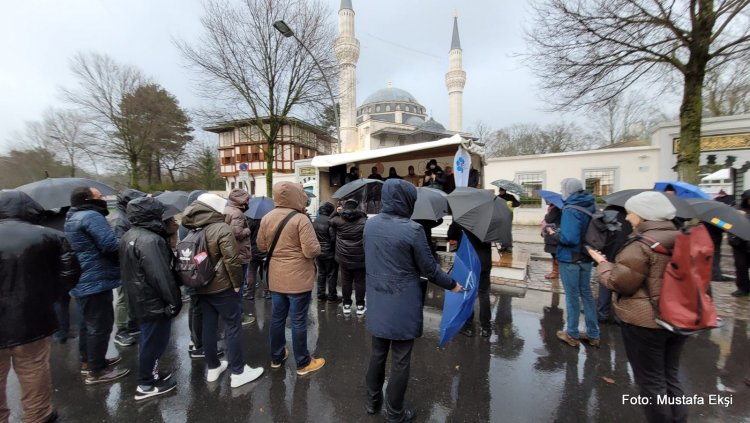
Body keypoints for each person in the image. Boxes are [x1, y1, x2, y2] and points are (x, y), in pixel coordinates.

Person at [364, 179, 462, 422]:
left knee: (377, 353)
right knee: (400, 359)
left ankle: (372, 402)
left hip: (377, 297)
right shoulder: (413, 230)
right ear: (407, 200)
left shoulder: (370, 225)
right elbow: (429, 269)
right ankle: (395, 412)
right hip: (403, 302)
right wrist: (453, 284)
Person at [589, 191, 687, 423]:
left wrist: (603, 264)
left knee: (651, 381)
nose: (629, 218)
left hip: (646, 320)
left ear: (643, 215)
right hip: (678, 316)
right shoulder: (682, 238)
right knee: (670, 376)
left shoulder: (642, 245)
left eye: (632, 213)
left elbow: (619, 283)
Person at [0, 191, 80, 422]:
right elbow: (70, 274)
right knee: (34, 368)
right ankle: (38, 414)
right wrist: (49, 296)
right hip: (32, 317)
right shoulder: (50, 237)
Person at [181, 193, 264, 388]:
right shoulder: (221, 228)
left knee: (209, 326)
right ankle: (238, 371)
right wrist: (237, 283)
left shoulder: (192, 226)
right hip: (223, 287)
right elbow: (231, 260)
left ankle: (213, 367)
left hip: (201, 284)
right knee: (232, 326)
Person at [257, 182, 325, 376]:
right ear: (296, 195)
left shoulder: (267, 218)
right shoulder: (301, 219)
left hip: (276, 279)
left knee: (277, 318)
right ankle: (303, 363)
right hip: (298, 280)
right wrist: (318, 247)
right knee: (298, 320)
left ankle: (277, 357)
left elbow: (261, 246)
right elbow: (311, 250)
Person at [65, 186, 129, 384]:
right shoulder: (91, 217)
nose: (103, 199)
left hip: (82, 279)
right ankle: (96, 371)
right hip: (95, 280)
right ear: (87, 199)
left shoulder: (72, 216)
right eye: (99, 197)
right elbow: (110, 245)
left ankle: (89, 361)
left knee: (88, 324)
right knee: (100, 326)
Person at [119, 197, 182, 400]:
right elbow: (161, 276)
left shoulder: (130, 234)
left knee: (149, 340)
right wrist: (174, 301)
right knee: (154, 342)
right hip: (152, 302)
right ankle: (145, 384)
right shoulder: (151, 240)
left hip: (140, 299)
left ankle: (151, 374)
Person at [551, 178, 600, 348]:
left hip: (570, 257)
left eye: (562, 187)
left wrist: (554, 233)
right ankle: (593, 334)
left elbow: (569, 238)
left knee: (572, 297)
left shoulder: (571, 208)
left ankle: (571, 333)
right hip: (586, 256)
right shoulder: (591, 204)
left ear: (568, 190)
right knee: (586, 294)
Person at [108, 188, 146, 348]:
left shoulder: (126, 217)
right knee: (123, 298)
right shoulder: (119, 219)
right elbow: (118, 245)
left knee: (131, 295)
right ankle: (121, 330)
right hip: (123, 265)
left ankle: (132, 323)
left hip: (130, 264)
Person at [448, 222, 492, 338]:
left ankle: (467, 327)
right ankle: (486, 328)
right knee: (484, 294)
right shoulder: (489, 220)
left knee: (467, 293)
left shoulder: (462, 219)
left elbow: (451, 235)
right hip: (484, 261)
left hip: (469, 262)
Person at [223, 189, 256, 326]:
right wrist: (248, 230)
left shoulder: (226, 209)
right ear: (241, 201)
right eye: (246, 199)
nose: (248, 201)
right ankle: (238, 316)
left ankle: (231, 313)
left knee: (231, 286)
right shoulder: (237, 213)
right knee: (238, 286)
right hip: (239, 253)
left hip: (231, 252)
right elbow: (236, 232)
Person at [330, 199, 368, 315]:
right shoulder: (364, 220)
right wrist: (362, 213)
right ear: (356, 207)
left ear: (345, 207)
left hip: (343, 257)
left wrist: (336, 212)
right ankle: (360, 306)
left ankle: (346, 304)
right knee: (360, 282)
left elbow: (329, 220)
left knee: (346, 282)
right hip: (360, 257)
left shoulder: (338, 220)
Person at [596, 205, 632, 323]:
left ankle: (603, 314)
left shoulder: (608, 212)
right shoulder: (631, 216)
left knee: (605, 283)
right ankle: (619, 316)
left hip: (608, 252)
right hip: (625, 254)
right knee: (621, 285)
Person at [312, 202, 339, 302]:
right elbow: (333, 238)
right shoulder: (330, 221)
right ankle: (331, 297)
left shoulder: (315, 221)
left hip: (319, 252)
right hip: (329, 252)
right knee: (331, 274)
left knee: (321, 274)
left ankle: (320, 295)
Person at [729, 189, 750, 297]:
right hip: (739, 244)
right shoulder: (736, 210)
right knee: (741, 267)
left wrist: (745, 216)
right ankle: (743, 288)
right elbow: (723, 223)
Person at [542, 202, 561, 280]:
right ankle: (555, 271)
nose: (546, 201)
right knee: (554, 253)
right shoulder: (556, 207)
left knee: (554, 253)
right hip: (555, 231)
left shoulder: (555, 208)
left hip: (553, 232)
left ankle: (555, 272)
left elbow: (549, 219)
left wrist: (546, 215)